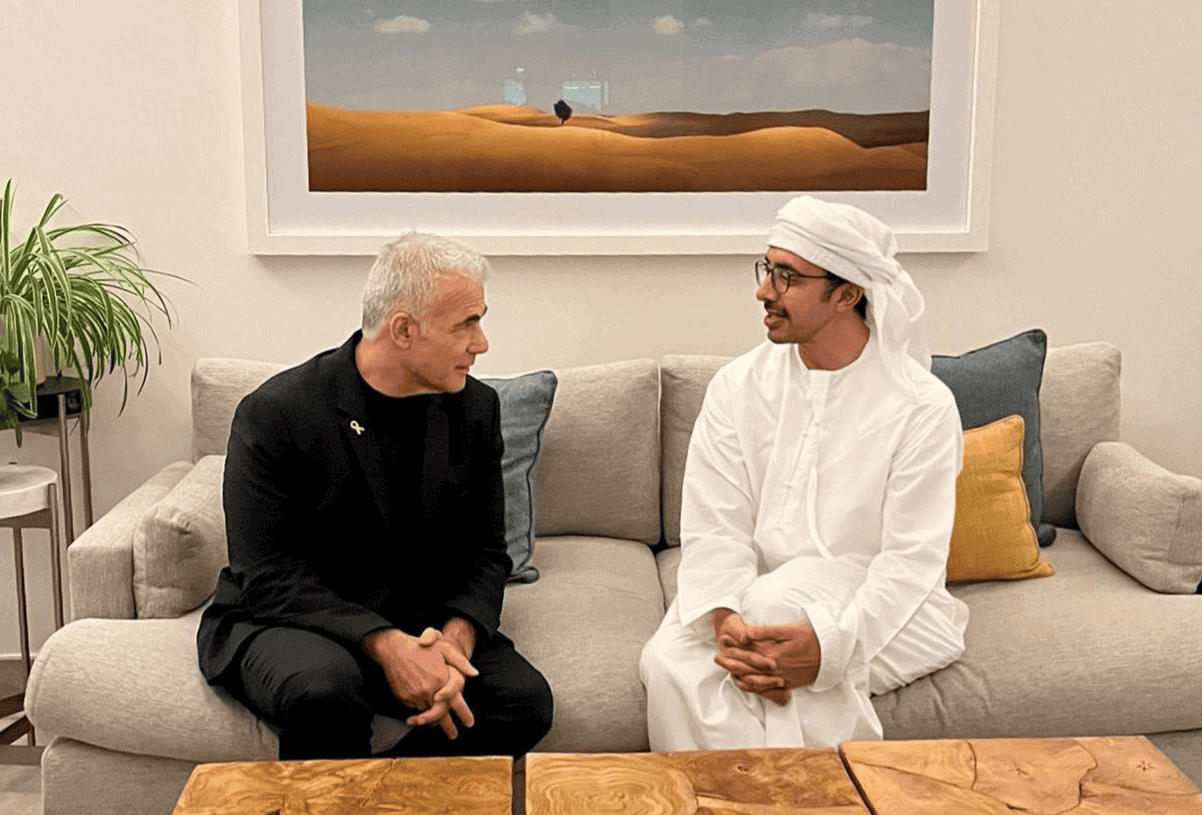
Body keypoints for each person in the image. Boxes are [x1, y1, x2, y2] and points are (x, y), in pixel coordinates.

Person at [197, 233, 553, 760]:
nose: (480, 344)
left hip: (419, 617)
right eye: (465, 324)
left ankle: (380, 791)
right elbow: (267, 574)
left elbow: (485, 553)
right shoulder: (278, 412)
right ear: (403, 329)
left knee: (523, 701)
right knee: (324, 692)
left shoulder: (475, 410)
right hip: (295, 619)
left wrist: (453, 643)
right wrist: (386, 645)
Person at [640, 196, 969, 750]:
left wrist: (829, 650)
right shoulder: (738, 387)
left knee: (774, 611)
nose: (764, 291)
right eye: (767, 269)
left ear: (846, 294)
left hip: (890, 610)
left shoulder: (922, 407)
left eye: (787, 276)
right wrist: (724, 618)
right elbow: (715, 526)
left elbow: (911, 562)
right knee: (666, 661)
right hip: (749, 594)